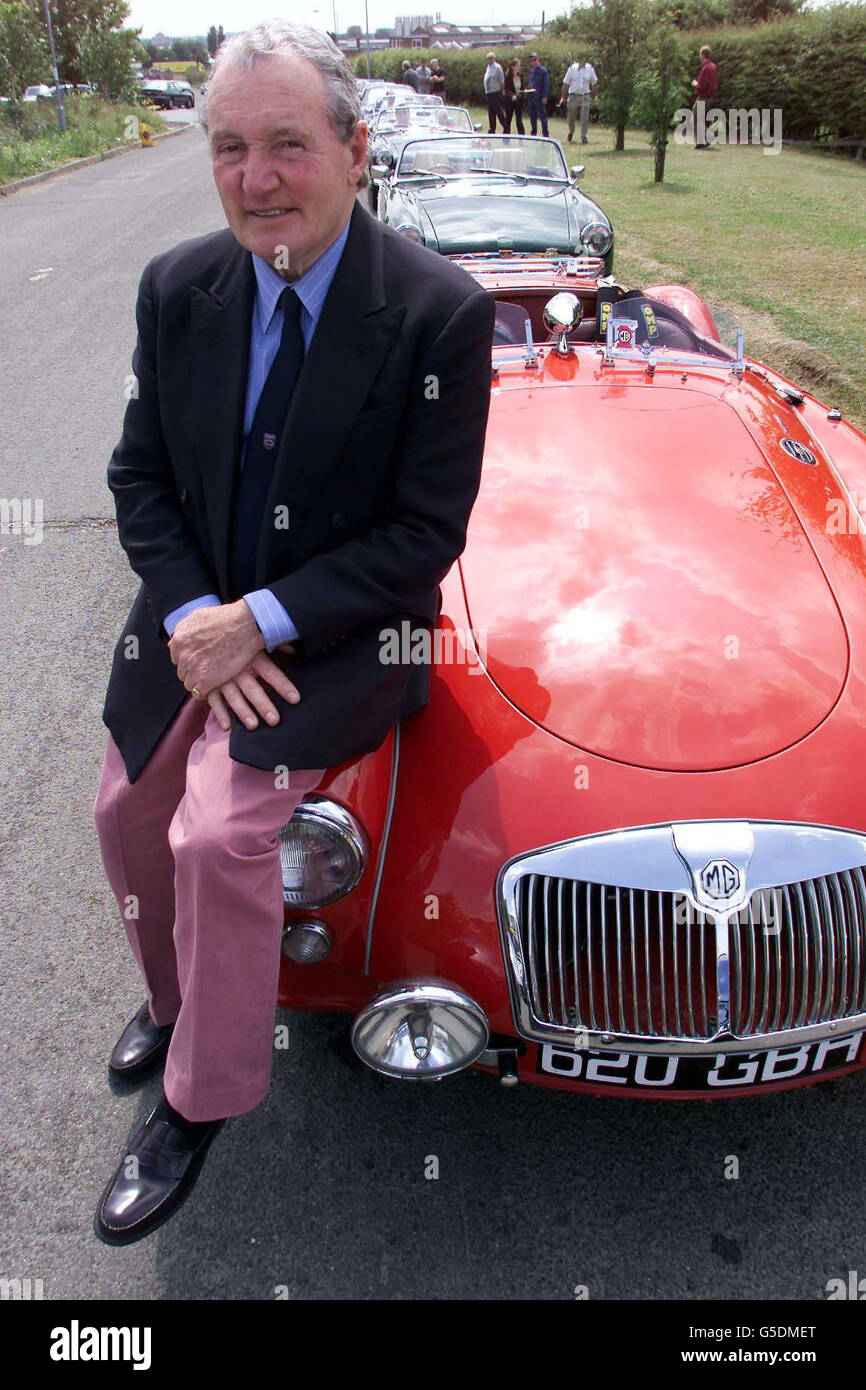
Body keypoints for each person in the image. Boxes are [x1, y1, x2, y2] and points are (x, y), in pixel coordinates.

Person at [91, 20, 495, 1247]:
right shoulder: (178, 288)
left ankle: (197, 1098)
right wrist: (202, 617)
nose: (254, 179)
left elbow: (422, 537)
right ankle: (173, 1003)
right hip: (196, 612)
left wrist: (262, 621)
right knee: (122, 810)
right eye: (228, 149)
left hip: (351, 632)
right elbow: (138, 479)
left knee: (218, 834)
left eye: (285, 146)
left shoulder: (439, 312)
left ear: (354, 149)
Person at [561, 54, 597, 144]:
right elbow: (565, 84)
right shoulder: (572, 69)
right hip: (573, 95)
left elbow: (594, 82)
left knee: (585, 118)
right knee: (571, 118)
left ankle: (583, 136)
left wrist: (594, 94)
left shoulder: (590, 69)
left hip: (585, 95)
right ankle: (571, 131)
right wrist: (564, 97)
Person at [691, 45, 719, 148]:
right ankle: (705, 139)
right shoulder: (713, 66)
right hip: (709, 96)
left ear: (703, 55)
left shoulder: (706, 68)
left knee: (695, 118)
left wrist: (695, 84)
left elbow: (701, 84)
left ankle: (703, 140)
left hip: (702, 97)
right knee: (699, 119)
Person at [527, 52, 550, 137]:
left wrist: (545, 96)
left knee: (542, 117)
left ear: (538, 60)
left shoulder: (543, 71)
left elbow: (546, 84)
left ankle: (545, 134)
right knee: (532, 117)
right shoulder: (532, 71)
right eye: (531, 60)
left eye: (534, 60)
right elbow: (530, 82)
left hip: (539, 97)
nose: (533, 62)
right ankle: (534, 133)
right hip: (531, 96)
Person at [483, 51, 505, 133]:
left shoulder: (497, 67)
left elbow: (501, 79)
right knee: (491, 112)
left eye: (491, 58)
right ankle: (492, 129)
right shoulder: (488, 67)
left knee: (498, 111)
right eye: (488, 58)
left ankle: (506, 127)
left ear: (494, 58)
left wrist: (503, 90)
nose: (490, 60)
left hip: (496, 91)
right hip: (489, 92)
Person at [503, 58, 525, 136]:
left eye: (519, 65)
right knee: (508, 119)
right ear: (513, 66)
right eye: (517, 65)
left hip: (518, 101)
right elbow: (506, 89)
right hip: (509, 101)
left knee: (519, 120)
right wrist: (512, 96)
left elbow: (522, 88)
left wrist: (522, 94)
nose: (519, 67)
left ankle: (522, 138)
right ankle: (506, 139)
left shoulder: (521, 75)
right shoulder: (508, 76)